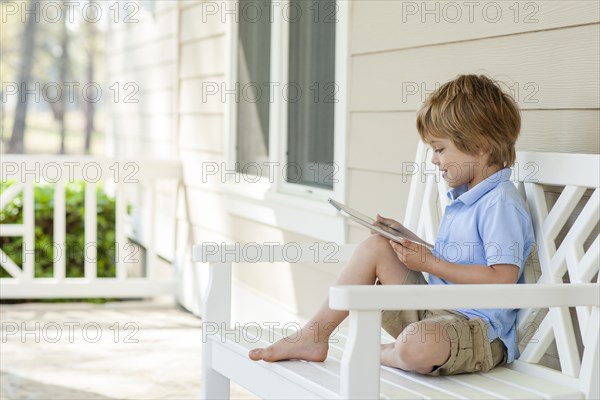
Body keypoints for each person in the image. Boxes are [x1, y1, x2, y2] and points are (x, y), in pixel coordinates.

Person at [249, 74, 535, 376]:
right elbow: (459, 262)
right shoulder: (467, 197)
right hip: (436, 312)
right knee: (376, 247)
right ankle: (313, 335)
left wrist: (430, 262)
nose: (434, 160)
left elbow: (500, 279)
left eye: (440, 149)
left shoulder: (499, 203)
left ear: (478, 145)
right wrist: (410, 242)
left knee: (417, 344)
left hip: (476, 331)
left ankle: (387, 353)